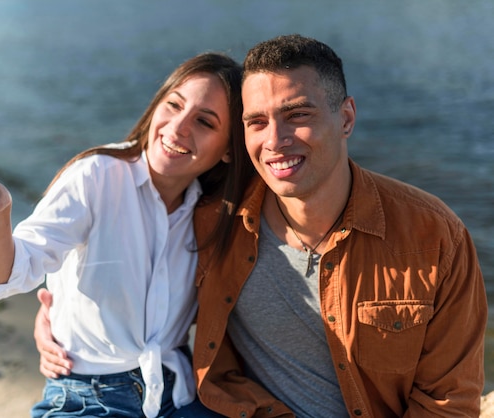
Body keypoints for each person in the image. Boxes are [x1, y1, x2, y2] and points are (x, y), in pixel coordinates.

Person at [35, 34, 487, 417]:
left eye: (299, 115)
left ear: (346, 117)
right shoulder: (213, 220)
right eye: (256, 122)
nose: (275, 141)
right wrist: (60, 319)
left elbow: (449, 400)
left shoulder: (432, 236)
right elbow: (140, 277)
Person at [0, 52, 254, 418]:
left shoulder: (218, 213)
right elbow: (7, 275)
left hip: (179, 393)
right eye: (173, 104)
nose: (178, 127)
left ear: (229, 151)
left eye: (204, 121)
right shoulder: (96, 176)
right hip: (88, 396)